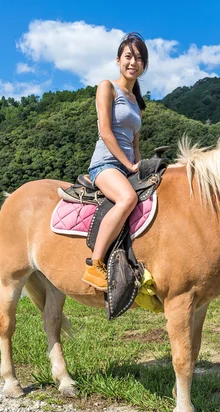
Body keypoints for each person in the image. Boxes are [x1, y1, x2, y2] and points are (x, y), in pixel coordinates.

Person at [82, 32, 148, 291]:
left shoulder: (138, 104)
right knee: (127, 199)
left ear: (144, 66)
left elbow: (135, 145)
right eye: (129, 56)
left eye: (139, 58)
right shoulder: (107, 87)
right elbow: (106, 132)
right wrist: (129, 165)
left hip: (128, 167)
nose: (133, 62)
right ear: (118, 60)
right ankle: (95, 263)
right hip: (105, 165)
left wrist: (139, 167)